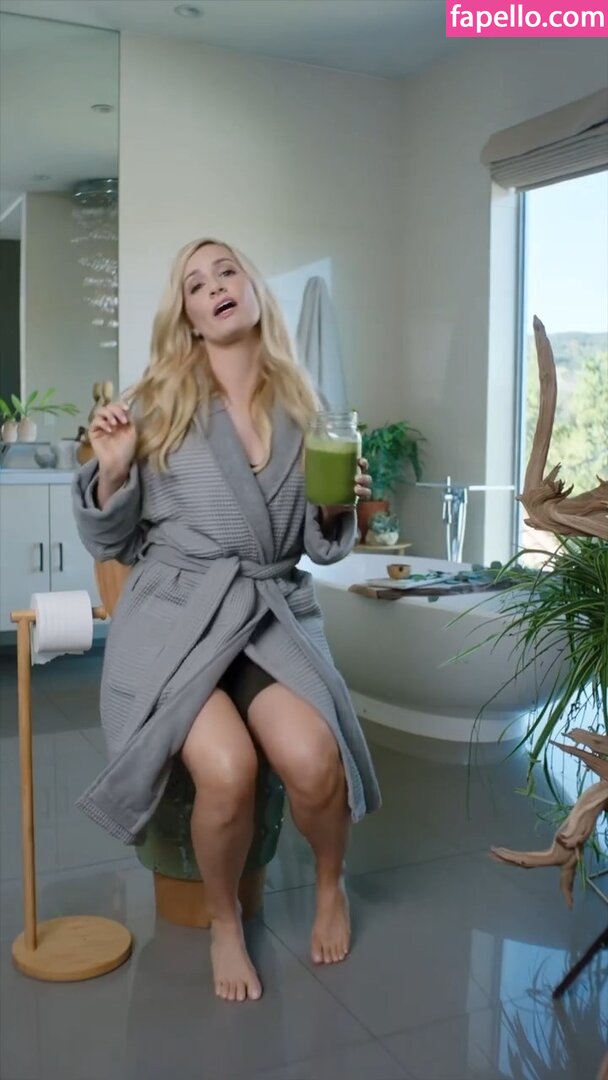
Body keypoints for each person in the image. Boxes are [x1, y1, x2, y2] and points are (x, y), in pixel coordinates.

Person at [73, 238, 382, 1003]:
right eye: (195, 283)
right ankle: (223, 921)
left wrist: (337, 508)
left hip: (271, 613)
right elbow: (111, 542)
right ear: (188, 316)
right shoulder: (156, 404)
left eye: (226, 271)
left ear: (251, 288)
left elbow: (318, 546)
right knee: (229, 769)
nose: (215, 287)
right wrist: (112, 469)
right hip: (179, 620)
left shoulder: (305, 407)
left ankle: (330, 884)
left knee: (315, 760)